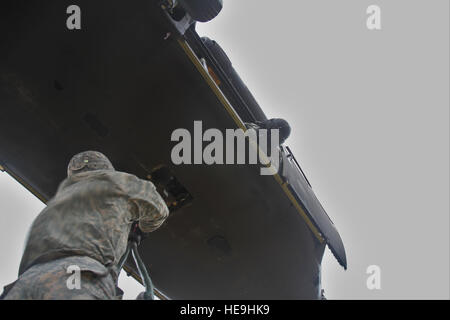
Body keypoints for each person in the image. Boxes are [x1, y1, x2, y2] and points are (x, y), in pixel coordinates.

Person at [1, 151, 169, 299]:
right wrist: (141, 227)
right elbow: (159, 211)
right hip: (77, 275)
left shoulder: (57, 202)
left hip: (24, 284)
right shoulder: (117, 181)